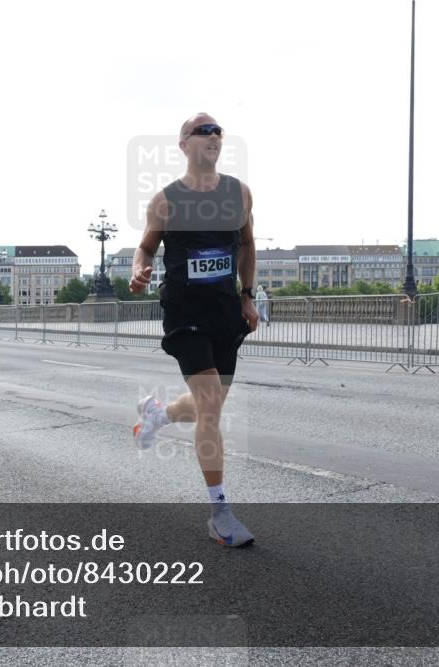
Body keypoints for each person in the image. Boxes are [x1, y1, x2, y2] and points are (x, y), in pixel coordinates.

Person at [129, 113, 258, 548]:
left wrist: (248, 295)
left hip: (225, 311)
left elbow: (248, 243)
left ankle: (159, 415)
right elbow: (146, 246)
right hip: (184, 310)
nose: (213, 135)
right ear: (184, 144)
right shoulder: (166, 200)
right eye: (203, 130)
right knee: (210, 408)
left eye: (218, 130)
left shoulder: (239, 193)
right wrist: (140, 269)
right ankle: (220, 512)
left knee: (210, 407)